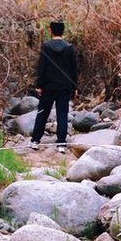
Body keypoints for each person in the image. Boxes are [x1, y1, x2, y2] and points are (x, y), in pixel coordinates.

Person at [30, 20, 78, 153]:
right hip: (64, 87)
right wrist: (74, 87)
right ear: (63, 31)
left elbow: (42, 67)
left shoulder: (46, 46)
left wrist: (39, 85)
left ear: (50, 30)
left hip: (48, 86)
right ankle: (61, 144)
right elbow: (73, 69)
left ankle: (35, 141)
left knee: (42, 113)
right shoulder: (69, 48)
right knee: (62, 114)